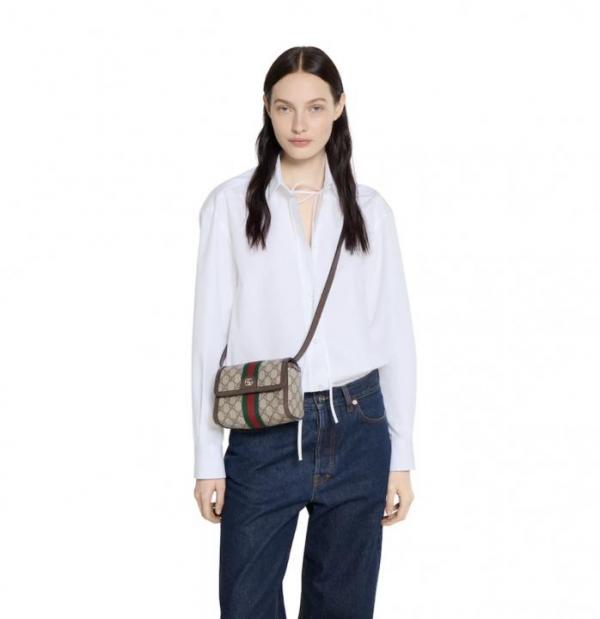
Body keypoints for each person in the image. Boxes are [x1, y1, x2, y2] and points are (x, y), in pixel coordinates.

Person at [192, 45, 417, 619]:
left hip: (359, 424)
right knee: (245, 605)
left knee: (344, 607)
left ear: (339, 107)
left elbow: (394, 336)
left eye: (316, 107)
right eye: (285, 107)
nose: (300, 124)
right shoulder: (230, 205)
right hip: (264, 428)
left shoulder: (370, 210)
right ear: (266, 109)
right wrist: (207, 458)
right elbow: (208, 340)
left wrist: (401, 453)